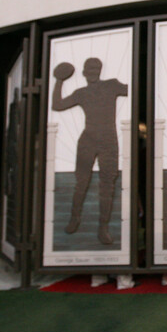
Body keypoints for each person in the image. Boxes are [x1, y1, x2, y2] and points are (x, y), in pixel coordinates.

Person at [51, 57, 127, 245]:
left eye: (95, 70)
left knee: (107, 184)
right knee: (81, 182)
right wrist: (59, 81)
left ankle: (103, 227)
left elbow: (132, 89)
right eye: (89, 70)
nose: (92, 73)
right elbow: (57, 105)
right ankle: (75, 218)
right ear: (84, 73)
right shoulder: (82, 93)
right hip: (88, 140)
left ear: (99, 71)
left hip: (108, 141)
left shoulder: (112, 85)